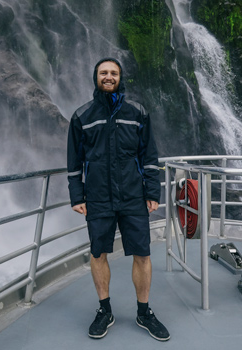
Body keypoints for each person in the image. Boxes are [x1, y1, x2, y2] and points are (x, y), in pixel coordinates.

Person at [66, 57, 169, 341]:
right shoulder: (82, 116)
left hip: (134, 196)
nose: (108, 76)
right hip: (97, 197)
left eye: (113, 73)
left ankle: (144, 311)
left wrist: (152, 191)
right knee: (98, 253)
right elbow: (74, 160)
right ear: (95, 77)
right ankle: (104, 310)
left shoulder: (137, 112)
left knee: (143, 254)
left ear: (120, 78)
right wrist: (77, 195)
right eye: (103, 73)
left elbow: (149, 155)